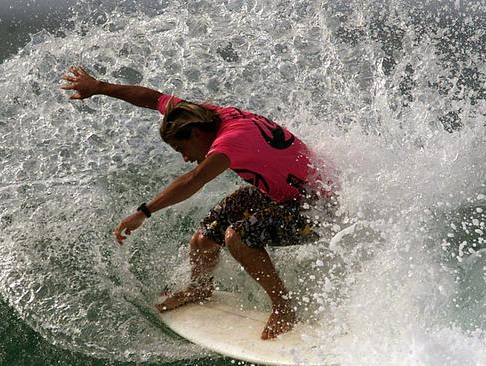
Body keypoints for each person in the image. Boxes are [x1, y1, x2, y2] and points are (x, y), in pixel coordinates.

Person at [61, 66, 321, 340]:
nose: (184, 157)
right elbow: (152, 98)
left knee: (238, 237)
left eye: (181, 149)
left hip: (315, 207)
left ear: (196, 135)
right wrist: (99, 87)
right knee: (203, 239)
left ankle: (283, 306)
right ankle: (200, 288)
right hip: (281, 194)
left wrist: (144, 211)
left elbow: (194, 179)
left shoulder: (229, 142)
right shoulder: (204, 116)